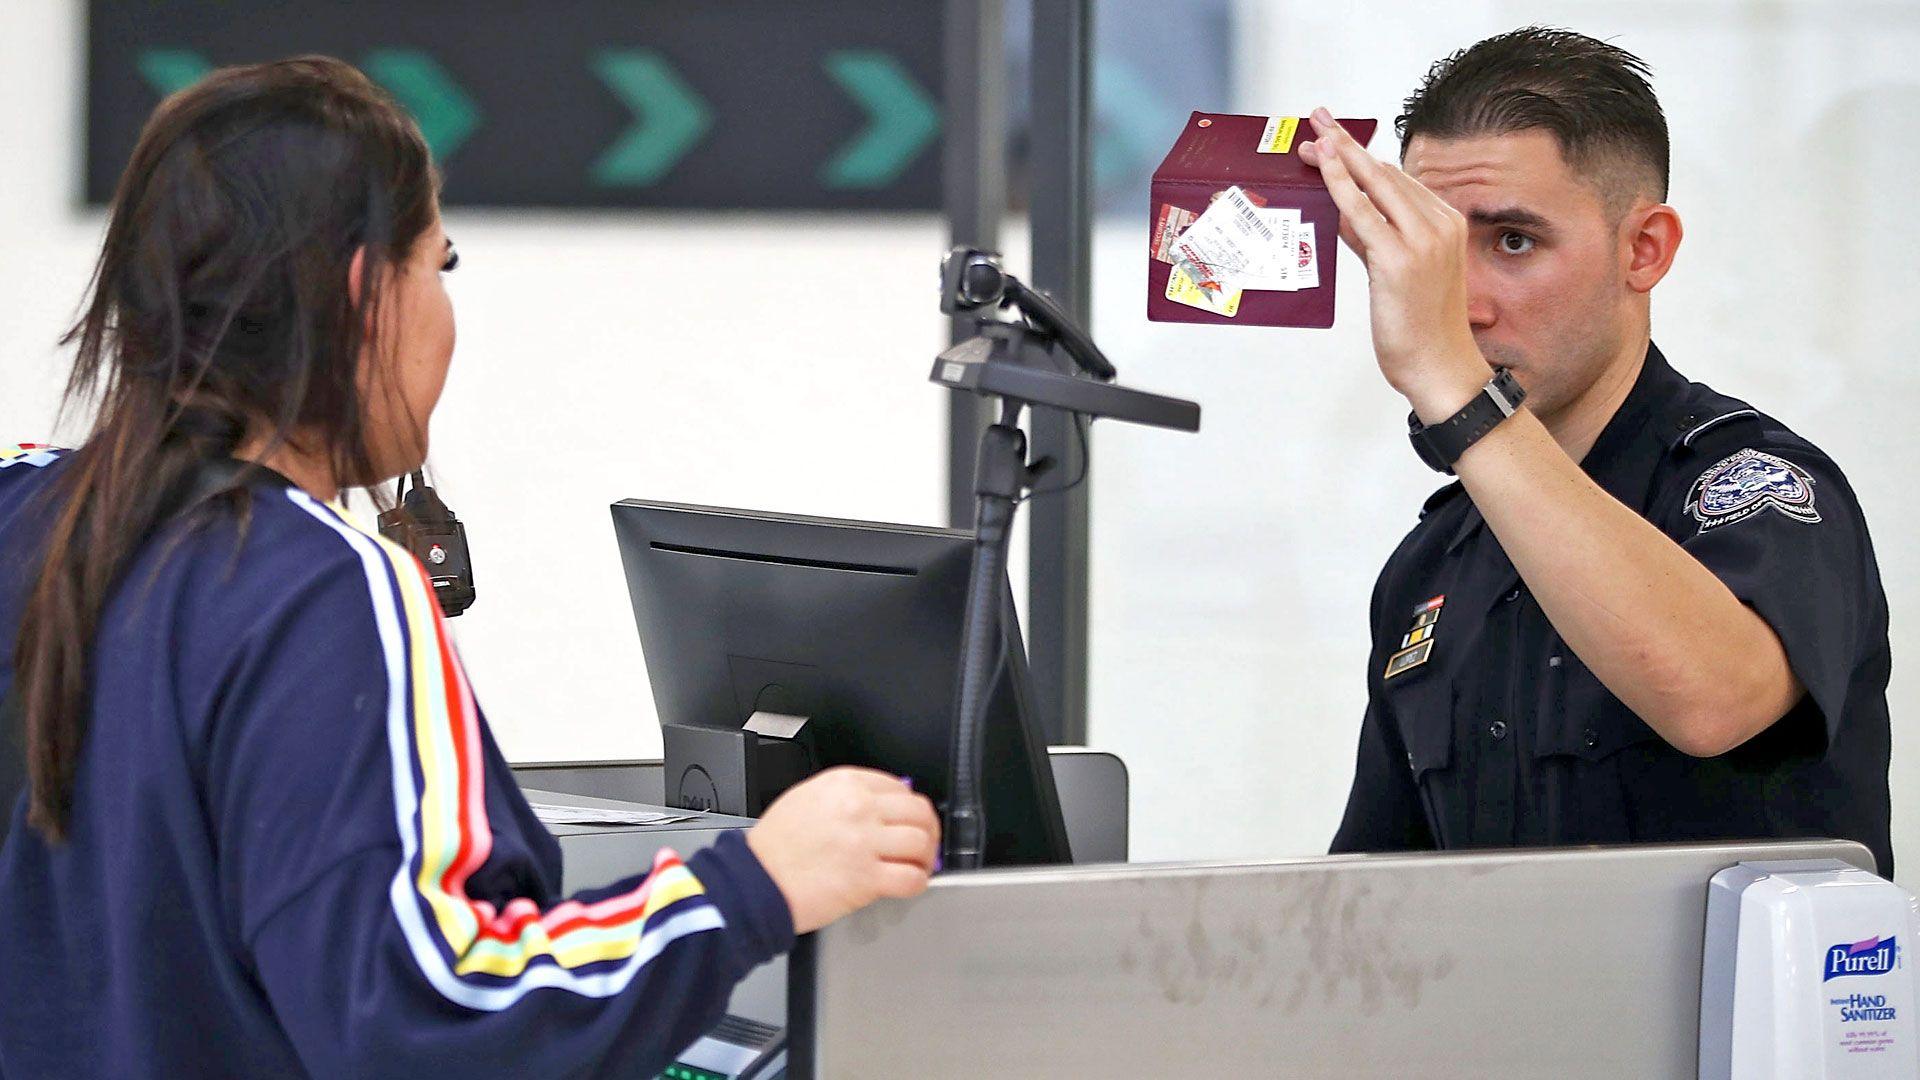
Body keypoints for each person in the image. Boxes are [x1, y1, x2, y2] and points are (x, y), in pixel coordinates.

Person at [0, 57, 939, 1078]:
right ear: (365, 291)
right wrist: (755, 886)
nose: (445, 310)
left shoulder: (23, 507)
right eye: (438, 266)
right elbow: (431, 1013)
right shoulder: (327, 588)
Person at [1303, 29, 1892, 874]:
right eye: (1432, 249)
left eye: (1513, 241)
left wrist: (1462, 400)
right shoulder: (1429, 565)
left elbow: (1710, 698)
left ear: (1643, 250)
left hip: (1731, 1011)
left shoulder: (1755, 485)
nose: (1458, 303)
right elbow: (1371, 912)